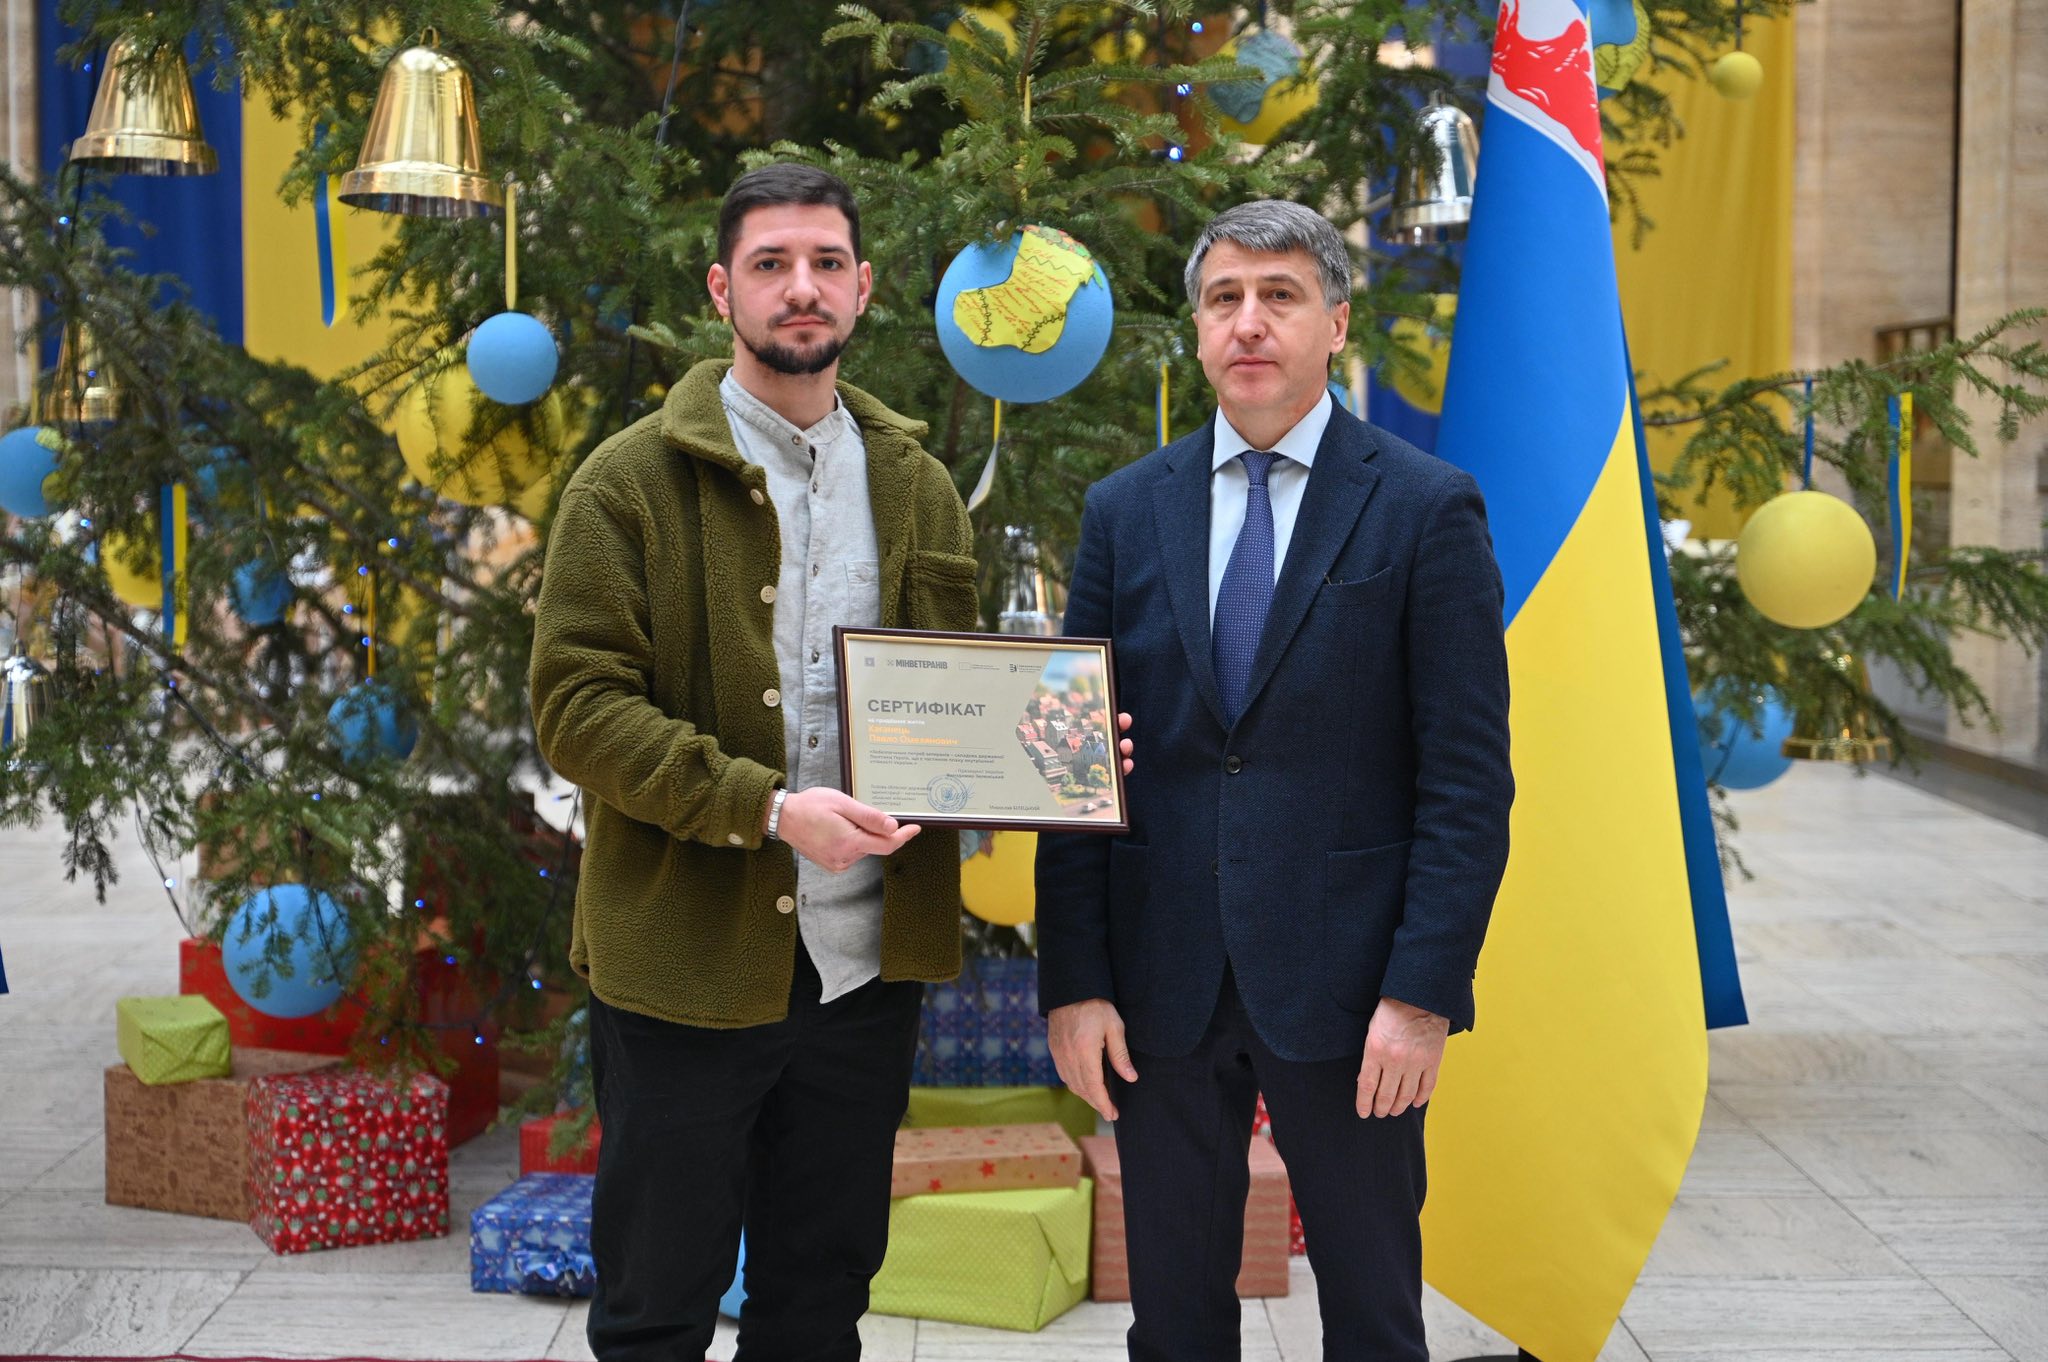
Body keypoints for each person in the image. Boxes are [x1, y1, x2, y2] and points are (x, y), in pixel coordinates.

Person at [1034, 199, 1514, 1362]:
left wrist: (1420, 994)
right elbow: (1072, 764)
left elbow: (1465, 781)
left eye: (1279, 296)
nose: (1247, 322)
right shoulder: (1123, 512)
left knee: (1372, 1321)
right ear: (1197, 329)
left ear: (1334, 323)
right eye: (1223, 299)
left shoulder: (1422, 507)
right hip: (1160, 992)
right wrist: (1074, 982)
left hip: (1352, 997)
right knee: (1173, 1327)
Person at [529, 163, 982, 1362]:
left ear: (863, 287)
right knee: (654, 1309)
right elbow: (577, 709)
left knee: (818, 1308)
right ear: (722, 289)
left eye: (826, 263)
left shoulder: (919, 487)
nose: (801, 288)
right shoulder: (627, 482)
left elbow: (950, 699)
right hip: (682, 968)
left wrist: (1047, 758)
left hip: (860, 974)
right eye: (771, 264)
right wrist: (769, 810)